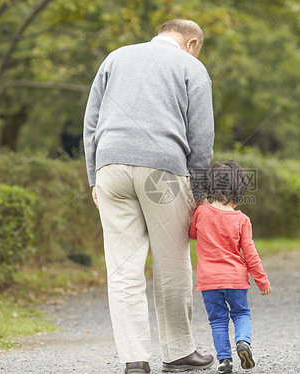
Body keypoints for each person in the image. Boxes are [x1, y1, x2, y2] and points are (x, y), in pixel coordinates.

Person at [83, 19, 215, 374]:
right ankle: (177, 353)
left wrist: (94, 175)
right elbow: (201, 137)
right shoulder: (192, 66)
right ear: (191, 43)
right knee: (172, 264)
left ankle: (135, 361)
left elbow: (91, 122)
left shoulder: (116, 57)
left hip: (110, 166)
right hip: (164, 168)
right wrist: (199, 191)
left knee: (123, 269)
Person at [188, 161, 272, 374]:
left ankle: (225, 361)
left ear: (209, 187)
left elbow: (191, 234)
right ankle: (243, 342)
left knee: (218, 320)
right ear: (239, 191)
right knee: (241, 313)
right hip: (235, 279)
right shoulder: (242, 219)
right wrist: (262, 281)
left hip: (208, 281)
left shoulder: (202, 213)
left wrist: (200, 208)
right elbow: (250, 254)